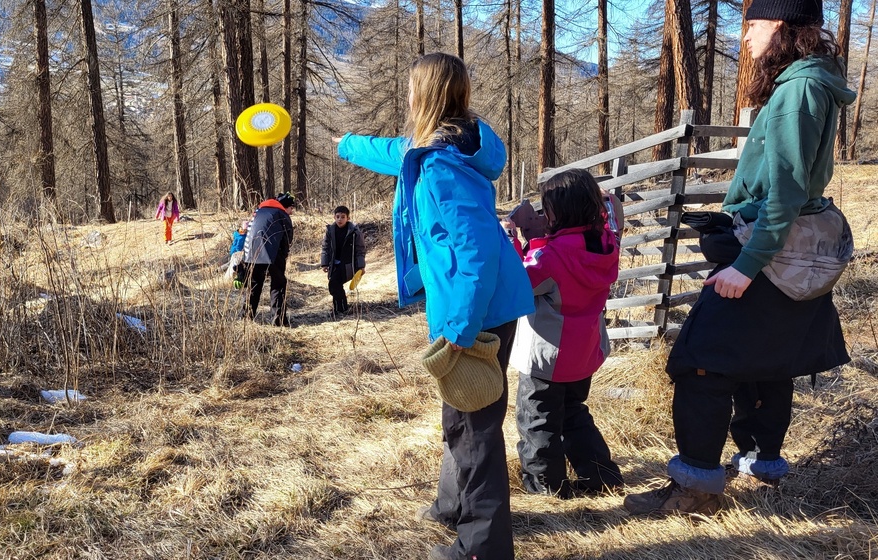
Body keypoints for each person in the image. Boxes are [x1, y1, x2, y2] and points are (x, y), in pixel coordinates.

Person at [623, 0, 853, 515]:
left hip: (770, 253)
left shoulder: (798, 91)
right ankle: (760, 465)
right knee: (766, 361)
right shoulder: (812, 80)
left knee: (701, 362)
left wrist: (745, 266)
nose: (745, 37)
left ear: (784, 28)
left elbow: (787, 191)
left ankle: (698, 488)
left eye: (754, 25)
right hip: (789, 250)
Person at [335, 52, 534, 560]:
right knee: (461, 415)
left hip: (477, 308)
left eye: (410, 89)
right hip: (477, 302)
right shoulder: (440, 149)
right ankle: (453, 506)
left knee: (475, 432)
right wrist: (344, 144)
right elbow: (390, 151)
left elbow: (477, 252)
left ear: (423, 95)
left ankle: (482, 547)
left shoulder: (444, 168)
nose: (405, 97)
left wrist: (462, 326)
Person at [507, 169, 623, 499]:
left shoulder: (550, 258)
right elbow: (611, 213)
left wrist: (513, 241)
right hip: (584, 352)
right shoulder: (605, 243)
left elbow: (518, 283)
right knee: (573, 413)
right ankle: (601, 476)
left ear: (560, 212)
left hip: (547, 357)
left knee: (537, 422)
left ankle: (546, 487)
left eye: (548, 209)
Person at [243, 193, 296, 327]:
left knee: (254, 285)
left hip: (252, 254)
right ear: (286, 207)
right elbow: (287, 238)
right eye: (291, 208)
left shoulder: (258, 212)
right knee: (278, 284)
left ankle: (245, 318)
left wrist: (246, 257)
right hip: (274, 253)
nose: (291, 212)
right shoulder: (282, 214)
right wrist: (283, 256)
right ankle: (278, 321)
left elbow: (249, 233)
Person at [319, 205, 366, 317]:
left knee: (334, 284)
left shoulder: (354, 232)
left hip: (348, 265)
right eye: (338, 216)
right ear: (334, 217)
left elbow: (360, 249)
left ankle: (340, 309)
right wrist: (325, 263)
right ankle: (341, 309)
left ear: (348, 218)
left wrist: (361, 266)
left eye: (343, 217)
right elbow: (325, 247)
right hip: (334, 264)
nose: (340, 219)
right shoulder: (330, 230)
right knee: (335, 285)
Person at [224, 219, 251, 284]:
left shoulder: (237, 234)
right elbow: (238, 246)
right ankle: (229, 277)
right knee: (234, 265)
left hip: (234, 251)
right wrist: (240, 252)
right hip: (236, 252)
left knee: (230, 263)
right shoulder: (241, 237)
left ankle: (220, 269)